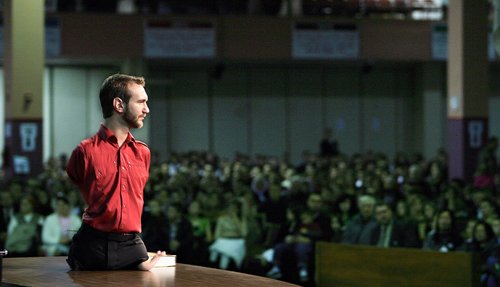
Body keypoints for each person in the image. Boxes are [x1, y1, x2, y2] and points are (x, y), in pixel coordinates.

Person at [65, 74, 166, 271]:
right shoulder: (85, 152)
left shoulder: (143, 152)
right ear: (119, 105)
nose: (147, 109)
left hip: (132, 247)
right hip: (90, 247)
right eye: (141, 102)